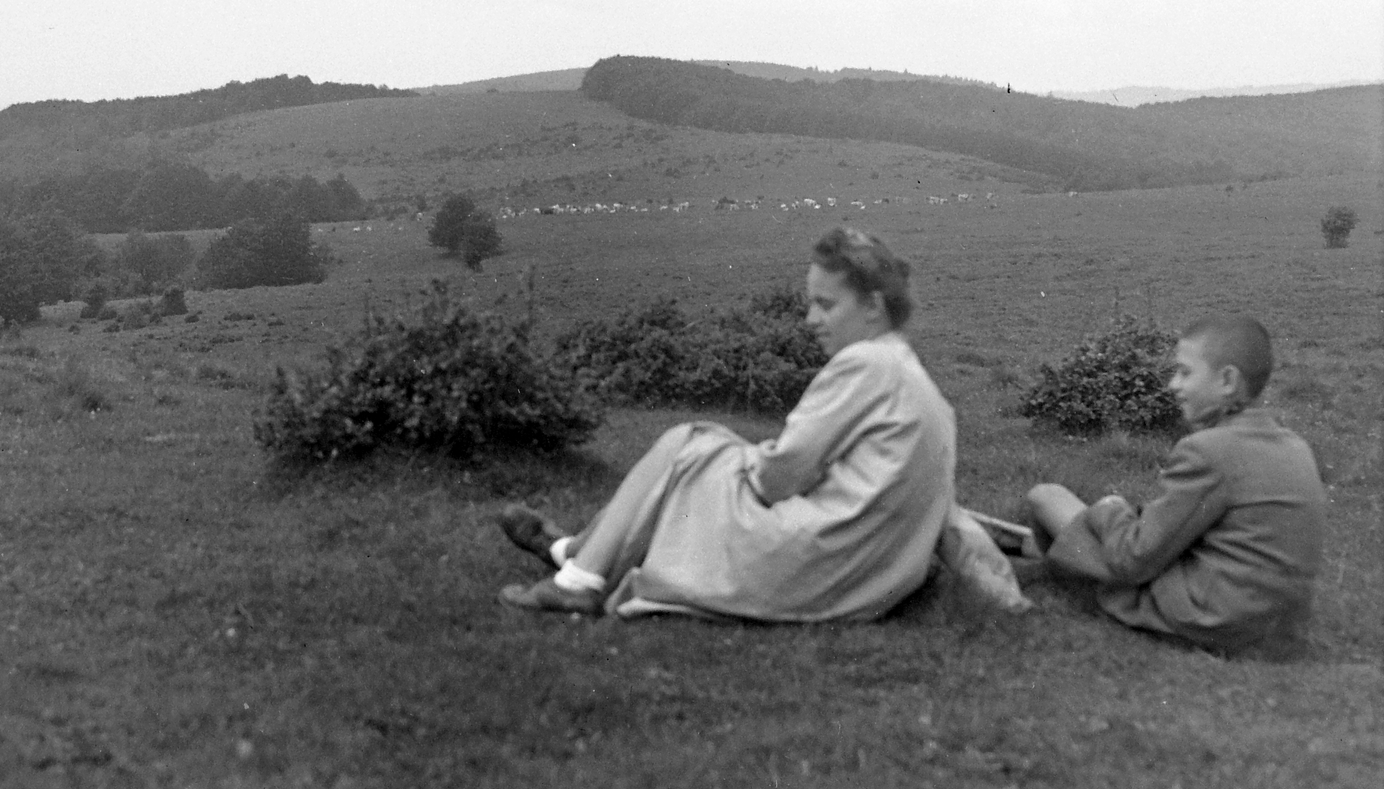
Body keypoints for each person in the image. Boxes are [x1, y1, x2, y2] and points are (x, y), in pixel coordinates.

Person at [497, 228, 960, 621]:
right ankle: (570, 554)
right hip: (864, 580)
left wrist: (736, 456)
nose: (810, 319)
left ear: (873, 306)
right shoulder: (916, 380)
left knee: (690, 442)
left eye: (825, 305)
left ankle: (578, 577)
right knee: (701, 456)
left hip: (810, 565)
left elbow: (776, 477)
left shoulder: (863, 363)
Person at [1024, 315, 1325, 656]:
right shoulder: (1295, 446)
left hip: (1214, 621)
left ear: (1227, 380)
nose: (1173, 386)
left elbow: (1133, 559)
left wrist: (1109, 507)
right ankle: (1045, 559)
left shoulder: (1208, 450)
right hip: (1280, 627)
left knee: (1046, 497)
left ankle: (1046, 565)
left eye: (1185, 373)